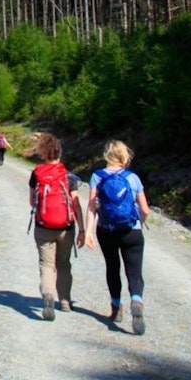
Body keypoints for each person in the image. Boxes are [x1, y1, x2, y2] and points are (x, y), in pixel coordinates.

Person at [84, 140, 152, 334]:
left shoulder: (97, 176)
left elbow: (91, 207)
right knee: (134, 270)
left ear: (107, 155)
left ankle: (116, 307)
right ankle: (137, 300)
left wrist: (88, 232)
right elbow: (145, 209)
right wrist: (139, 220)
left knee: (112, 267)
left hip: (107, 230)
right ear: (124, 155)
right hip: (132, 231)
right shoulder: (133, 178)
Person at [28, 133, 84, 320]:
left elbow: (31, 202)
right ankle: (66, 302)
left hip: (43, 226)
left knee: (46, 264)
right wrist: (82, 230)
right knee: (63, 264)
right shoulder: (68, 176)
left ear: (43, 154)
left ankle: (48, 296)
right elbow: (75, 205)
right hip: (66, 227)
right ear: (60, 153)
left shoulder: (36, 174)